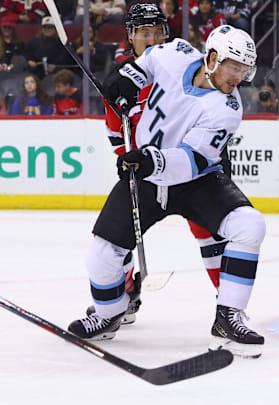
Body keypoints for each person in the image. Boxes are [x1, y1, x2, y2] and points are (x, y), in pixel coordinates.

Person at [68, 25, 265, 357]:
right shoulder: (177, 54)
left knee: (250, 226)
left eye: (244, 70)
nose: (239, 77)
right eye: (235, 67)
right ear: (213, 58)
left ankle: (228, 317)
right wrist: (126, 80)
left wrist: (150, 159)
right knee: (101, 255)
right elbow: (144, 64)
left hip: (196, 182)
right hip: (145, 178)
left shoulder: (227, 110)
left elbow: (192, 160)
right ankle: (108, 313)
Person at [86, 2, 232, 326]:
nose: (152, 40)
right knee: (116, 233)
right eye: (144, 34)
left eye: (157, 32)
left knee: (212, 232)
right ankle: (121, 299)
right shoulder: (120, 81)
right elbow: (116, 135)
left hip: (191, 168)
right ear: (130, 37)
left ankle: (228, 312)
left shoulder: (187, 64)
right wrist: (129, 159)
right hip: (147, 171)